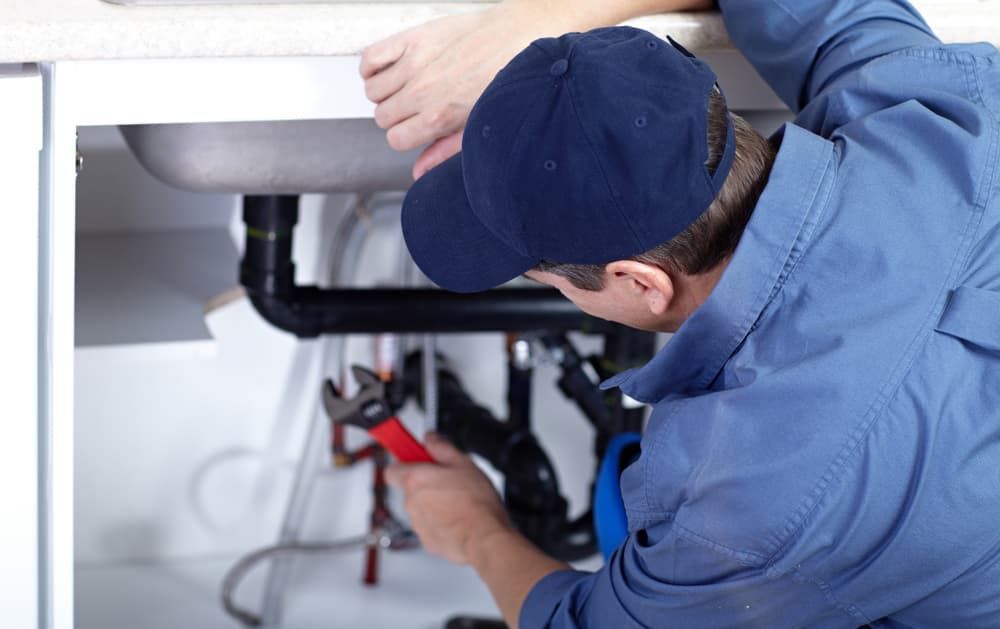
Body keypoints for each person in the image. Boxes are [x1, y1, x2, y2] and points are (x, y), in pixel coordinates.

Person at [373, 2, 1000, 627]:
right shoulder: (932, 108)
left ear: (640, 282)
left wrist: (476, 531)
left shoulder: (745, 507)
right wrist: (526, 24)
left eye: (543, 275)